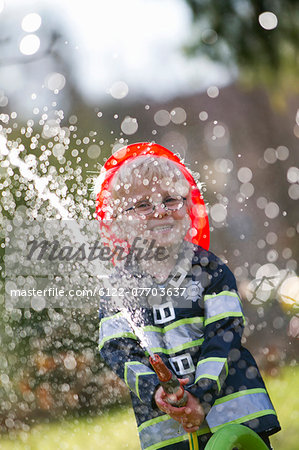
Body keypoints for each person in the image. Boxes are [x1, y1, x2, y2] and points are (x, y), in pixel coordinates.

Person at [96, 142, 280, 450]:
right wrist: (156, 392)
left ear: (187, 207)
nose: (159, 211)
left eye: (170, 199)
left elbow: (224, 332)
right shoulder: (119, 287)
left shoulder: (210, 270)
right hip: (168, 431)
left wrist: (202, 394)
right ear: (119, 221)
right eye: (142, 205)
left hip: (233, 417)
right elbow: (117, 348)